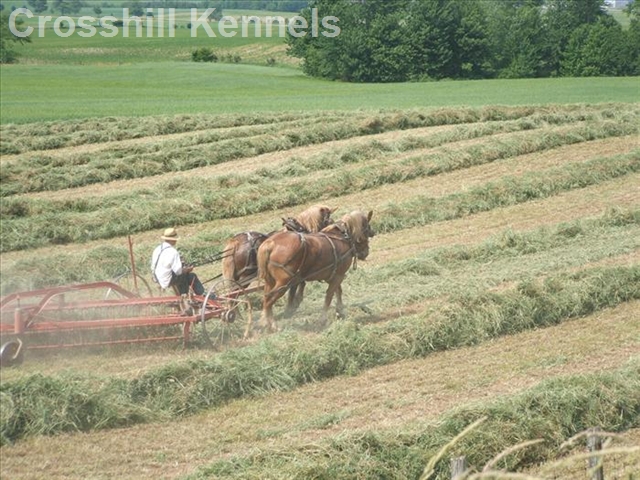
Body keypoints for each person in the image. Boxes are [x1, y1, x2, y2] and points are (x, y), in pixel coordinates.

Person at [151, 228, 205, 296]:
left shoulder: (157, 249)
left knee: (182, 275)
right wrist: (187, 269)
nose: (176, 241)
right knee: (191, 276)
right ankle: (200, 295)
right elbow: (178, 271)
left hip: (157, 277)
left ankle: (185, 294)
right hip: (167, 280)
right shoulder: (173, 251)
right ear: (172, 240)